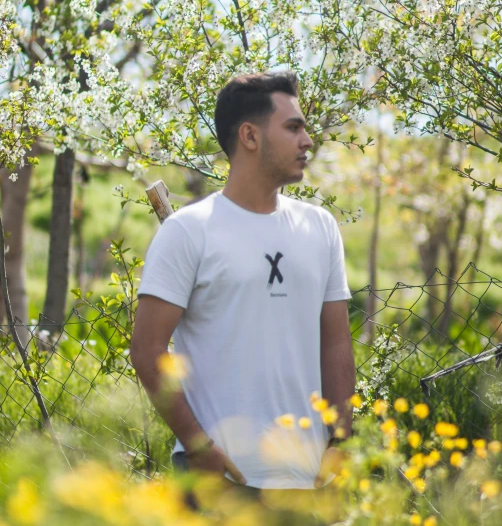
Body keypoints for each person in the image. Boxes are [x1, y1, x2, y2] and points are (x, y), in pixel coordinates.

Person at [130, 71, 356, 500]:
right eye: (293, 127)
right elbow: (147, 350)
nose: (308, 140)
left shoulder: (320, 227)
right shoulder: (188, 232)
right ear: (250, 136)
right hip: (221, 478)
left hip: (309, 480)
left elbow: (336, 342)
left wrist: (342, 441)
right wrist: (200, 448)